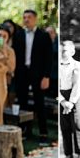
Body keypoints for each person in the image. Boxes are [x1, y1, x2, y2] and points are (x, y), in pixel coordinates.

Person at [12, 9, 52, 141]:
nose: (26, 19)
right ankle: (24, 130)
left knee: (39, 103)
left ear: (35, 19)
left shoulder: (43, 35)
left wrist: (46, 76)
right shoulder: (18, 35)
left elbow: (49, 58)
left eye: (29, 17)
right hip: (22, 73)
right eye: (24, 17)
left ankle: (43, 132)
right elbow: (14, 55)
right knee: (22, 102)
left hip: (38, 74)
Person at [58, 39, 80, 158]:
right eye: (60, 51)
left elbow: (79, 84)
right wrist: (63, 101)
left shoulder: (77, 65)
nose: (62, 53)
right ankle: (68, 153)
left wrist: (71, 102)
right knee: (64, 126)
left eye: (64, 51)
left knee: (76, 124)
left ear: (72, 52)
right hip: (61, 96)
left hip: (74, 95)